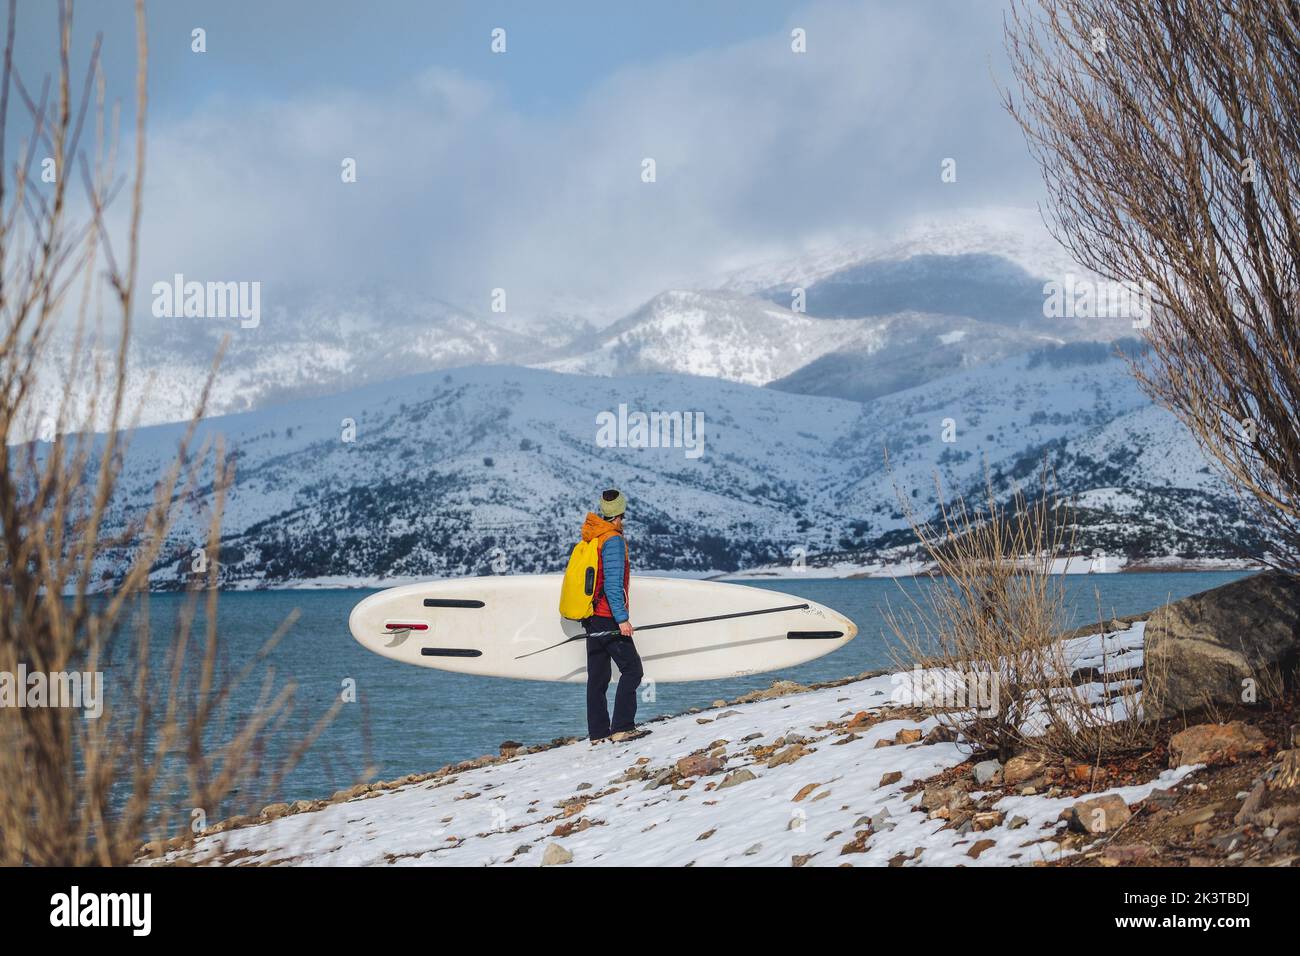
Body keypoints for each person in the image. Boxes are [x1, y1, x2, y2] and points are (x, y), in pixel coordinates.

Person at [580, 488, 644, 742]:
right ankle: (622, 727)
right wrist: (621, 619)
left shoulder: (592, 535)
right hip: (607, 615)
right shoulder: (613, 540)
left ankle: (597, 733)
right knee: (632, 670)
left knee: (598, 676)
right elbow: (613, 584)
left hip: (591, 614)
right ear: (620, 513)